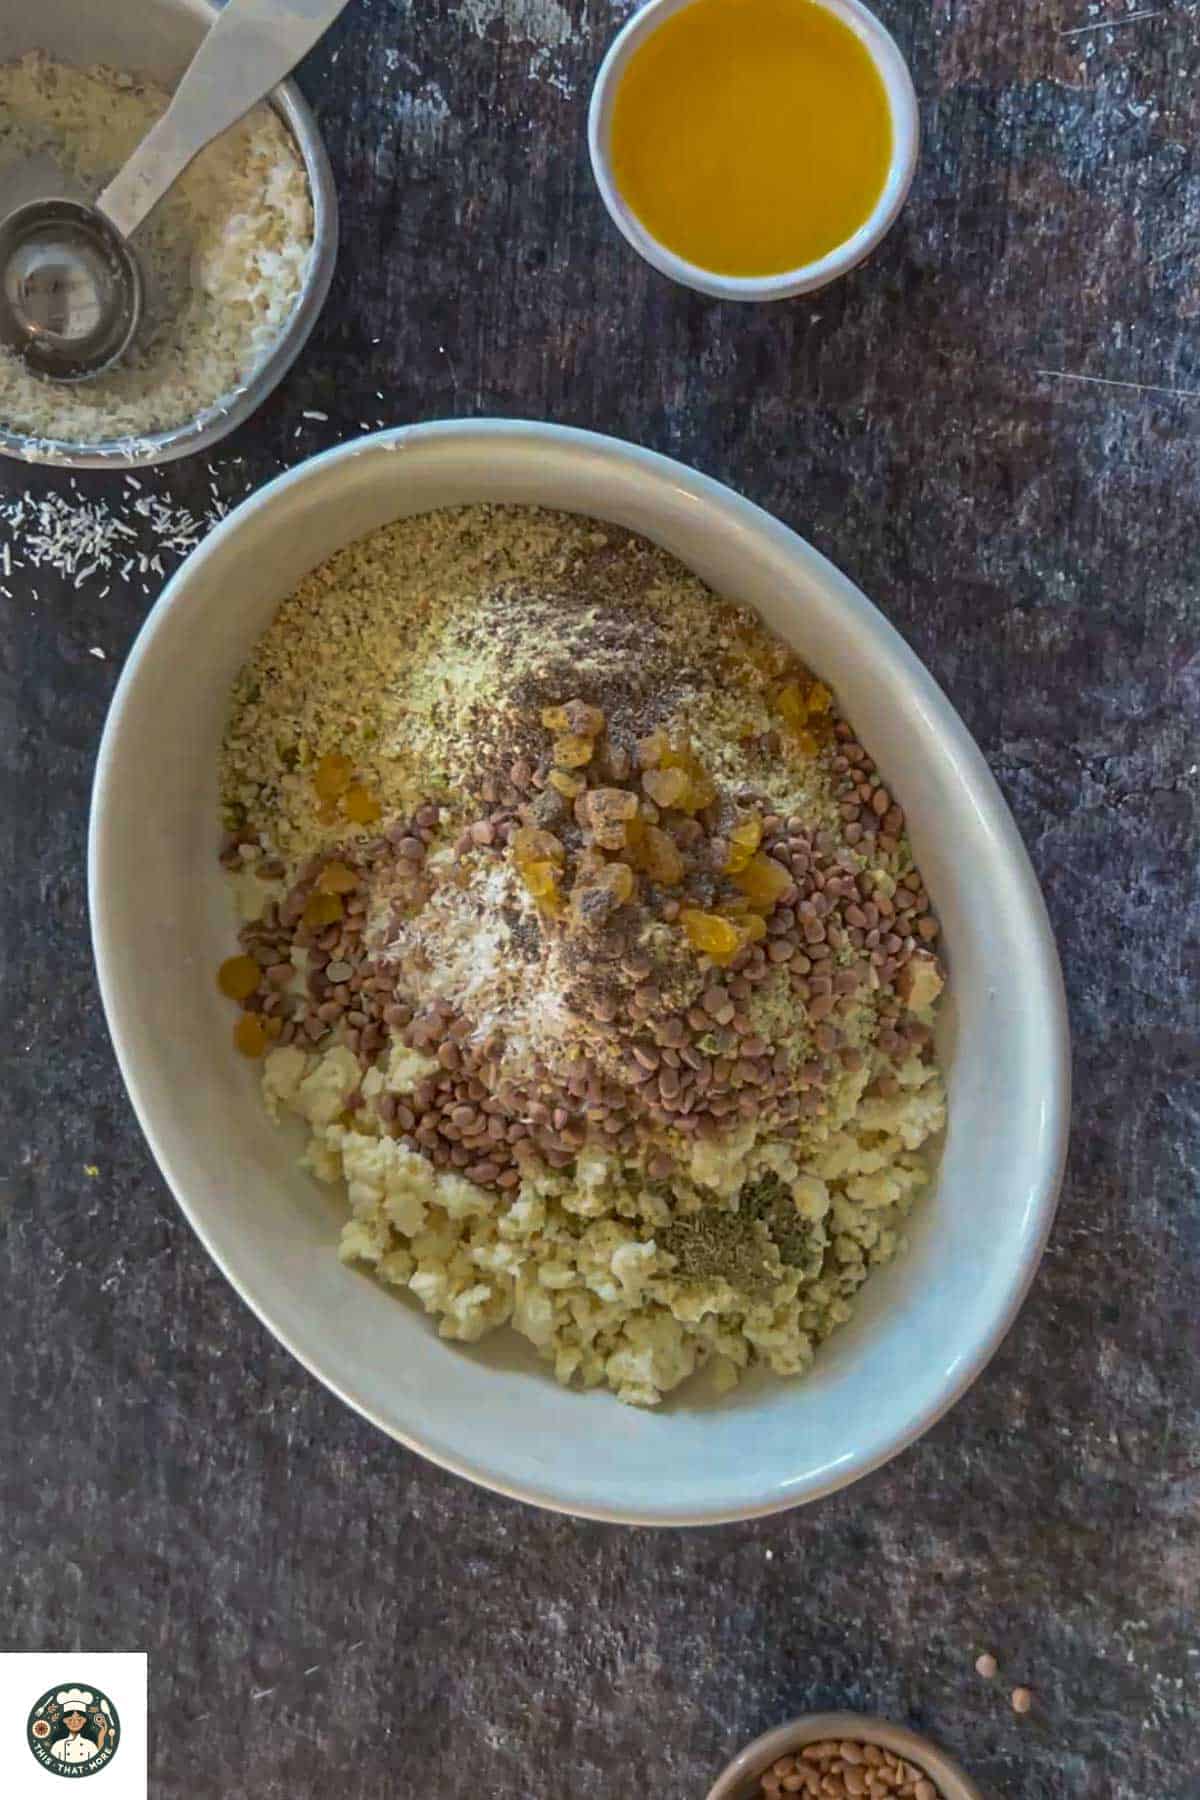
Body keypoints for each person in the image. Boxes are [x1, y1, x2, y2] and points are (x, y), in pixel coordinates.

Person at [51, 1689, 104, 1764]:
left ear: (84, 1721)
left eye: (79, 1720)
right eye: (70, 1720)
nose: (74, 1723)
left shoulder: (90, 1745)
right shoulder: (58, 1746)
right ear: (64, 1721)